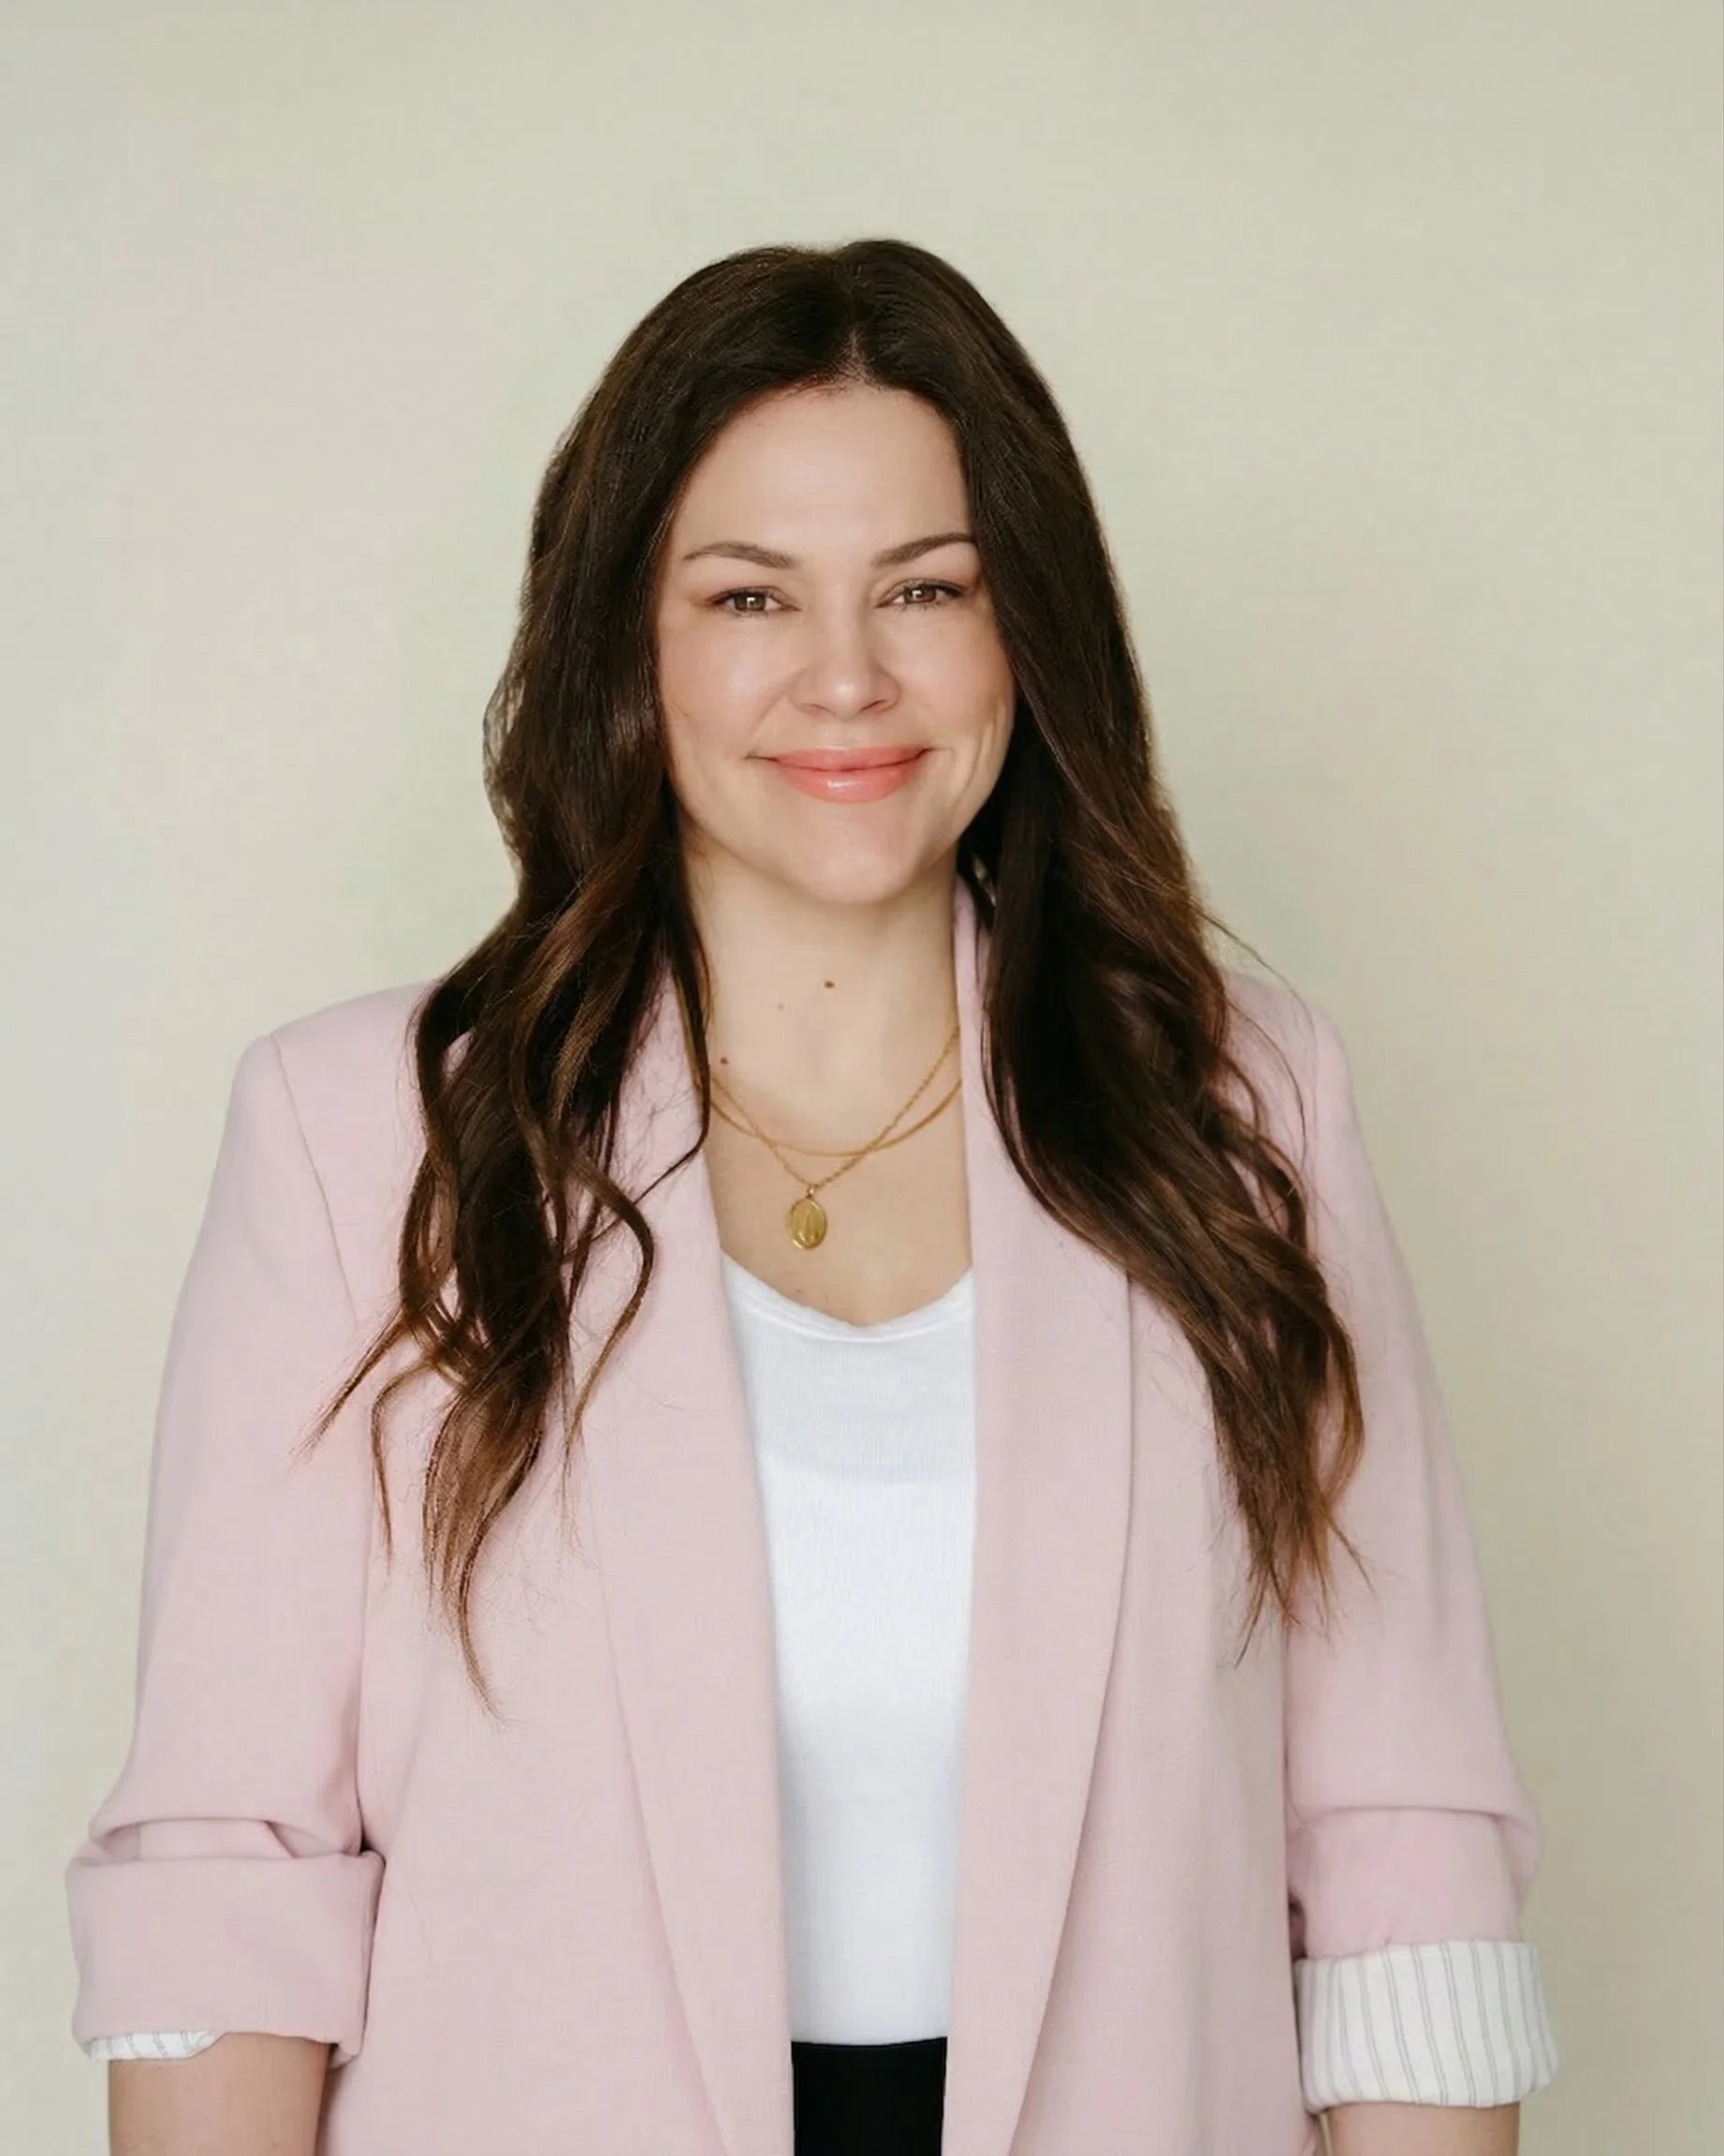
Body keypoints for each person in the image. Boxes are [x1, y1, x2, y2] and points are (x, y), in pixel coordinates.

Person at [66, 238, 1557, 2156]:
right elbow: (228, 1872)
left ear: (1031, 630)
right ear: (632, 640)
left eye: (927, 588)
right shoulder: (367, 1138)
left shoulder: (1249, 1116)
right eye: (750, 593)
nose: (846, 677)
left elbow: (1396, 1853)